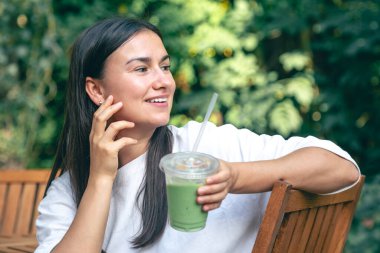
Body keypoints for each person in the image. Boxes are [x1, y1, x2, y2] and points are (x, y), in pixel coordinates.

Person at [35, 17, 360, 253]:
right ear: (95, 89)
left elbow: (342, 169)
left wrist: (234, 176)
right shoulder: (69, 192)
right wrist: (101, 180)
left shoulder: (205, 146)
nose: (164, 81)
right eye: (141, 69)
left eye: (165, 66)